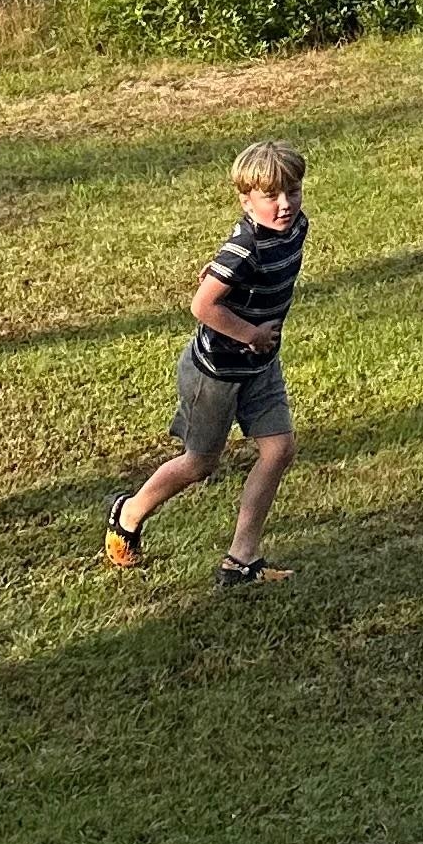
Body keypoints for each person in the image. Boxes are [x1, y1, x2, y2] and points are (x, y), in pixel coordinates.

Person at [104, 137, 309, 586]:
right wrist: (250, 331)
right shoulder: (244, 249)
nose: (284, 204)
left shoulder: (296, 228)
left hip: (259, 366)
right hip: (214, 373)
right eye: (270, 196)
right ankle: (129, 513)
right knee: (200, 463)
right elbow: (203, 307)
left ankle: (241, 560)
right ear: (245, 199)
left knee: (279, 449)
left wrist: (256, 337)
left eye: (292, 191)